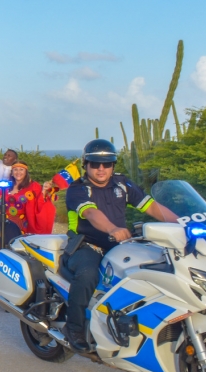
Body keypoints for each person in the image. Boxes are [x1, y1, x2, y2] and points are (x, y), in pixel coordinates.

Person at [64, 139, 178, 352]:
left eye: (106, 164)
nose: (101, 168)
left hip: (119, 245)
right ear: (85, 164)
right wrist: (112, 229)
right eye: (95, 163)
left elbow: (152, 207)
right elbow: (90, 213)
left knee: (152, 268)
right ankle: (74, 328)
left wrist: (180, 224)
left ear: (113, 165)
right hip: (86, 245)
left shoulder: (122, 184)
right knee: (88, 274)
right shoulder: (78, 189)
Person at [0, 162, 56, 234]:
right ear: (12, 173)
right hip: (4, 225)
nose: (18, 172)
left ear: (26, 172)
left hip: (23, 228)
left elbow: (40, 202)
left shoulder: (33, 186)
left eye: (21, 169)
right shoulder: (6, 186)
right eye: (15, 170)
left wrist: (44, 190)